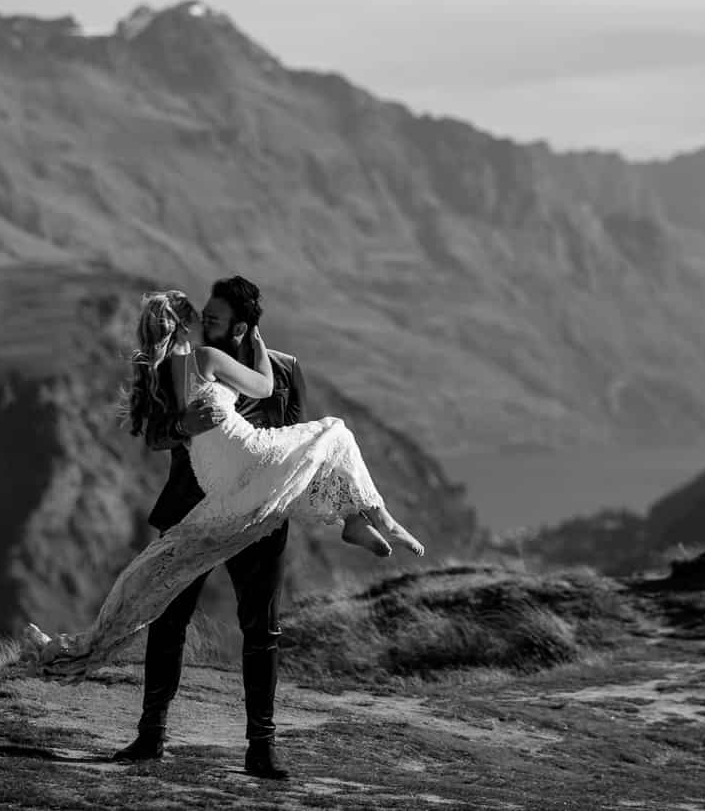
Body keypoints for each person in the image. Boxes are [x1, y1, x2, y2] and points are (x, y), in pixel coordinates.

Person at [25, 278, 423, 780]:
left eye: (214, 318)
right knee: (168, 621)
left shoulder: (284, 367)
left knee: (262, 629)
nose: (205, 324)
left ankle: (262, 748)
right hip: (193, 507)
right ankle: (151, 736)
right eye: (203, 318)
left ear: (241, 325)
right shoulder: (190, 364)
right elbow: (152, 432)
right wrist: (183, 429)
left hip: (260, 517)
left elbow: (292, 438)